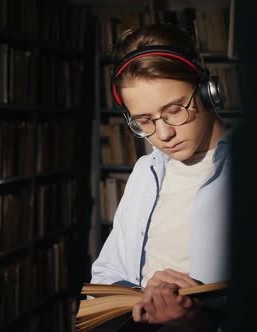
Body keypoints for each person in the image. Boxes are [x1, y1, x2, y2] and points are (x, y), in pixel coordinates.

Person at [90, 23, 233, 331]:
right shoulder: (145, 172)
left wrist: (198, 323)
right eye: (145, 120)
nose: (164, 134)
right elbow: (106, 274)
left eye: (175, 110)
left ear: (209, 90)